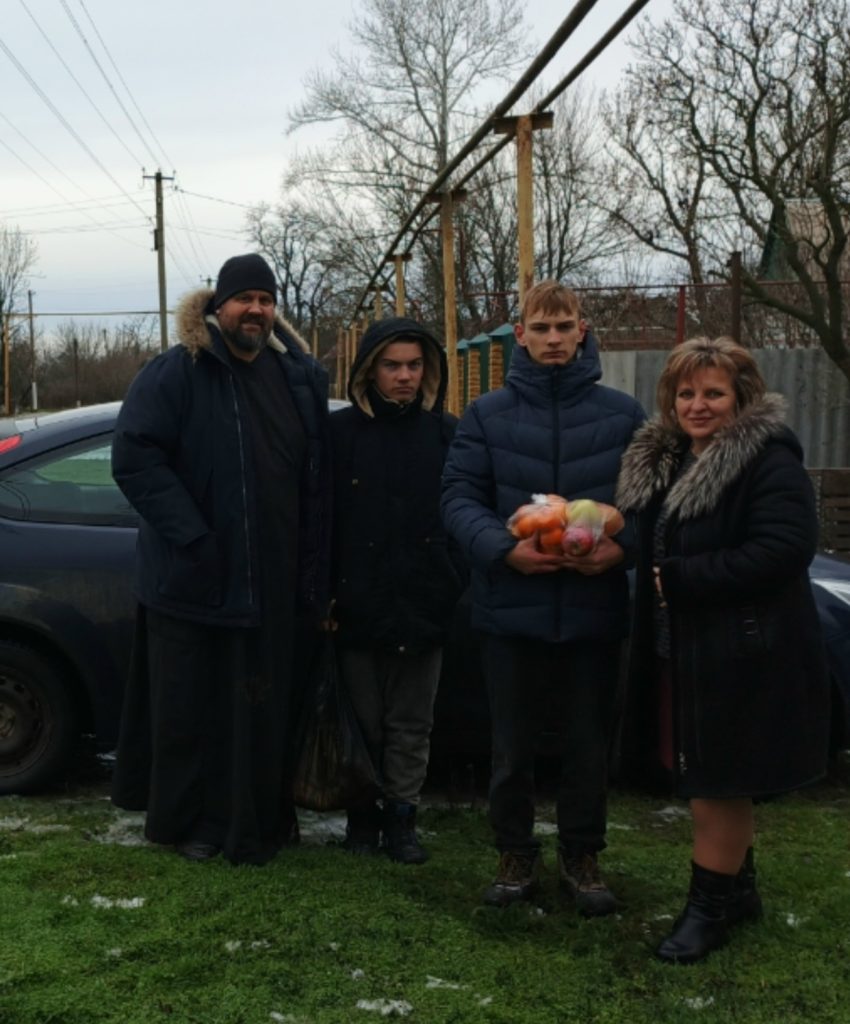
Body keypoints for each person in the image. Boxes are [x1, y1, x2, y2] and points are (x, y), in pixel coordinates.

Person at [110, 253, 331, 866]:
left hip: (274, 581)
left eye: (265, 299)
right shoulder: (179, 371)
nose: (255, 310)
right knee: (195, 713)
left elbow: (315, 476)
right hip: (196, 577)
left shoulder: (296, 377)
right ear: (219, 307)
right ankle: (196, 825)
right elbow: (135, 457)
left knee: (259, 710)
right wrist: (194, 536)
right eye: (244, 299)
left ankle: (262, 818)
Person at [615, 336, 830, 963]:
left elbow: (784, 549)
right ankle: (739, 892)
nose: (698, 405)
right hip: (684, 649)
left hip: (740, 651)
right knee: (709, 773)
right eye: (686, 393)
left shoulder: (767, 460)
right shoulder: (673, 458)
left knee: (718, 782)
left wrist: (684, 578)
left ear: (742, 398)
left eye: (713, 393)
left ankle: (706, 911)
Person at [441, 280, 645, 913]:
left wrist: (622, 549)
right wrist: (504, 551)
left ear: (582, 331)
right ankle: (514, 852)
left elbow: (651, 505)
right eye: (541, 327)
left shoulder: (623, 415)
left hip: (593, 610)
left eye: (564, 327)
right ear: (520, 335)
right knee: (512, 746)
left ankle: (582, 856)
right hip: (510, 609)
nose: (553, 339)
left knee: (588, 744)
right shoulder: (486, 415)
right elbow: (458, 499)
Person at [330, 316, 465, 863]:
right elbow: (321, 521)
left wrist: (453, 580)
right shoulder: (340, 435)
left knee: (411, 724)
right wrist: (327, 595)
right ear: (370, 370)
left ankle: (403, 821)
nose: (404, 376)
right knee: (361, 722)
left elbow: (465, 512)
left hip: (424, 602)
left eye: (413, 365)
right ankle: (362, 819)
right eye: (392, 366)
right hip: (355, 605)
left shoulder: (446, 434)